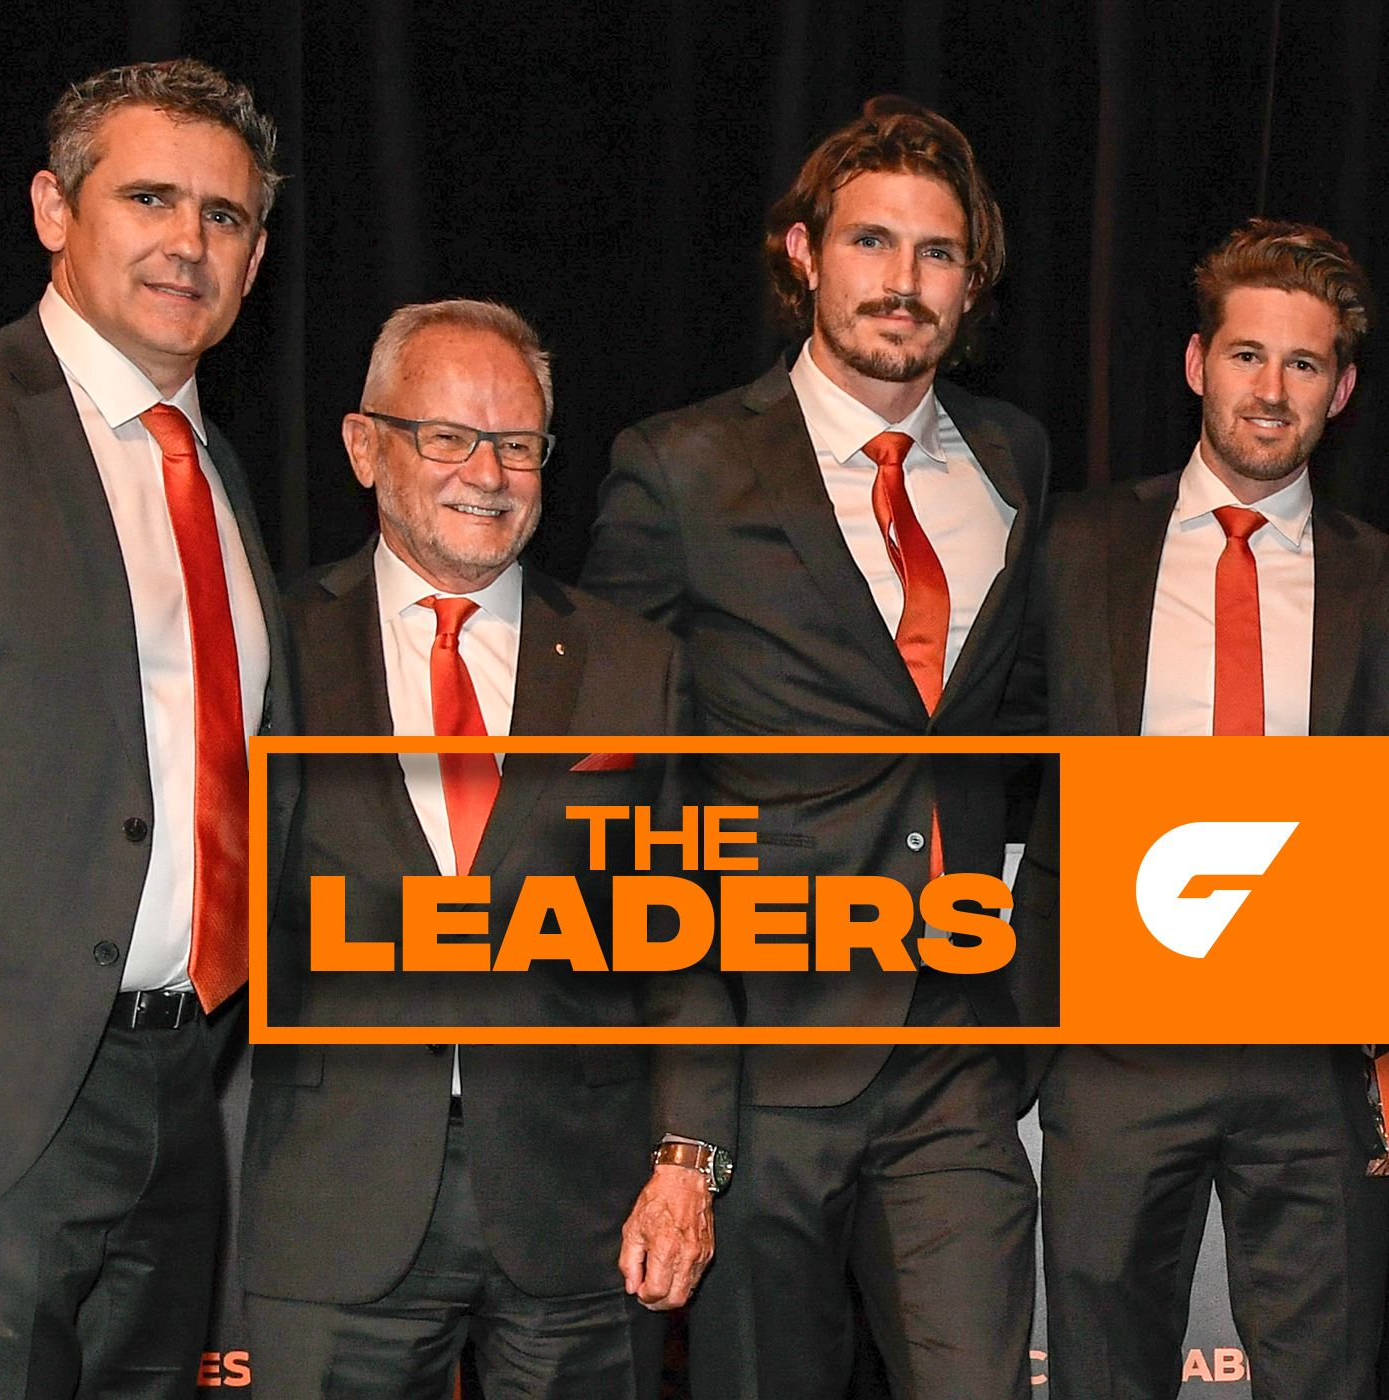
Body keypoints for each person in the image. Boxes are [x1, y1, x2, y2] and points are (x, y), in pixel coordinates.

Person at [582, 96, 1050, 1400]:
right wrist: (679, 1093)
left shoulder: (1012, 458)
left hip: (956, 1039)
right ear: (803, 253)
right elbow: (612, 787)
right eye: (870, 241)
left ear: (972, 279)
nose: (903, 281)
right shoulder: (678, 468)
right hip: (761, 1055)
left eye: (937, 251)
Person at [240, 299, 736, 1399]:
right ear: (364, 446)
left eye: (516, 443)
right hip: (328, 1203)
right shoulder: (270, 644)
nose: (488, 472)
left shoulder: (634, 666)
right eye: (448, 436)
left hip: (582, 1215)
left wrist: (687, 1159)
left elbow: (689, 940)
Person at [1029, 219, 1389, 1399]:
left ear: (1338, 391)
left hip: (1311, 1053)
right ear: (1196, 363)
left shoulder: (1377, 576)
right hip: (1111, 1040)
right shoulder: (1073, 543)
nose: (1268, 390)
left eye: (1301, 363)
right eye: (1245, 354)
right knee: (1097, 1374)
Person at [0, 59, 290, 1398]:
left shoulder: (214, 470)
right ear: (54, 209)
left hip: (185, 1092)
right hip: (15, 1103)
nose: (189, 241)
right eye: (150, 198)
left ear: (258, 257)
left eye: (224, 215)